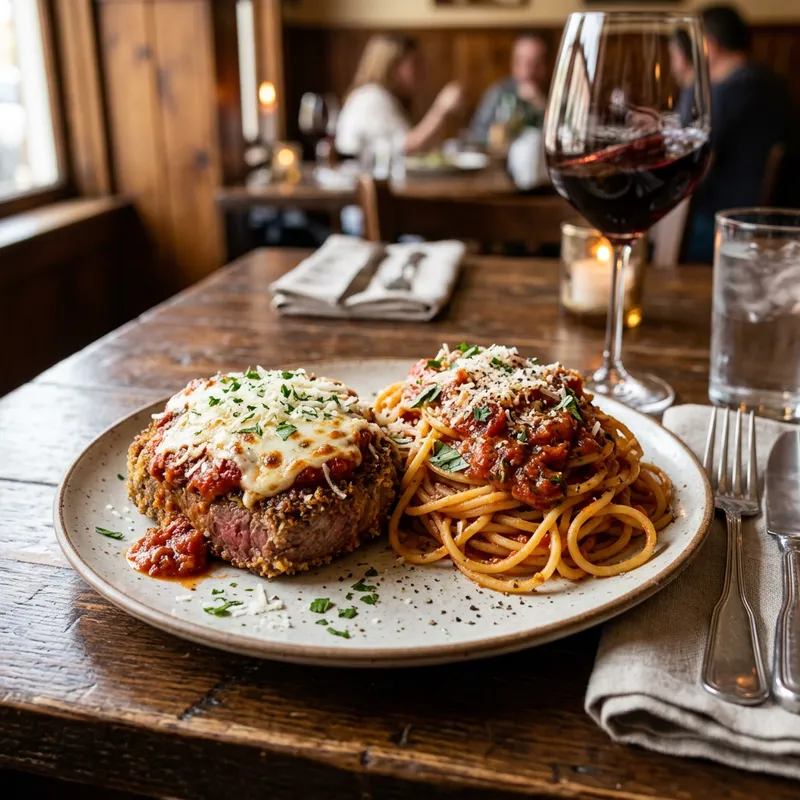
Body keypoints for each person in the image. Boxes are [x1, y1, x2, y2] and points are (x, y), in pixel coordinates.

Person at [686, 5, 791, 262]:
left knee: (654, 238)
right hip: (774, 219)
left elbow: (696, 164)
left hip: (730, 224)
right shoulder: (770, 81)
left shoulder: (729, 91)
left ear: (709, 44)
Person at [334, 34, 463, 157]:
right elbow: (406, 147)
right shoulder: (371, 98)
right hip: (358, 177)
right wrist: (441, 108)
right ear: (392, 66)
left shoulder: (387, 97)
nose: (423, 70)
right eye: (416, 63)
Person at [469, 32, 549, 145]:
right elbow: (476, 131)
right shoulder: (499, 91)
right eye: (521, 62)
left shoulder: (558, 93)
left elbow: (568, 134)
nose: (527, 71)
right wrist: (496, 137)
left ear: (547, 65)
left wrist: (541, 103)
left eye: (535, 63)